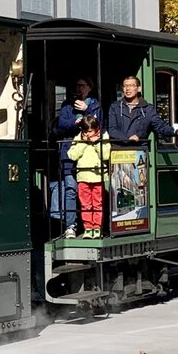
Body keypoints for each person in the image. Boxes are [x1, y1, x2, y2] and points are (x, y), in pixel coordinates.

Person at [51, 76, 102, 238]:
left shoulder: (96, 105)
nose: (79, 89)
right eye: (77, 86)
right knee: (71, 190)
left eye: (82, 85)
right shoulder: (67, 105)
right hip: (70, 153)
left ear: (89, 87)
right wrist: (76, 121)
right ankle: (71, 226)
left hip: (91, 156)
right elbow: (61, 124)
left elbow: (100, 124)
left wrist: (87, 110)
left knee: (93, 194)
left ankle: (93, 227)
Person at [107, 76, 178, 144]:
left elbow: (160, 126)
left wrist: (176, 132)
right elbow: (112, 129)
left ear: (139, 88)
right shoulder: (115, 107)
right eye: (125, 86)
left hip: (139, 150)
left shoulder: (148, 109)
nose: (127, 89)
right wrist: (127, 138)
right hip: (119, 150)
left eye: (131, 85)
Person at [67, 115, 108, 239]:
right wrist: (83, 143)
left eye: (90, 131)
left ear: (96, 129)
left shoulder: (104, 136)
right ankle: (88, 228)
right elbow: (72, 155)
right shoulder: (78, 138)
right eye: (85, 131)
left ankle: (97, 228)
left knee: (97, 204)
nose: (87, 134)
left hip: (98, 176)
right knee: (85, 204)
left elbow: (106, 155)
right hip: (83, 176)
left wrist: (97, 143)